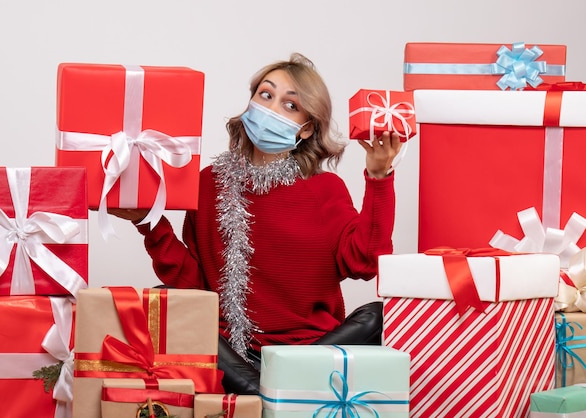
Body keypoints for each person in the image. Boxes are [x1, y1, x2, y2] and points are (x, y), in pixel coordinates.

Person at [109, 52, 402, 394]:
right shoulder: (209, 183)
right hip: (231, 356)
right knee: (165, 301)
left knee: (380, 315)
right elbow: (194, 286)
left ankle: (269, 391)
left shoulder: (325, 189)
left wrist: (379, 176)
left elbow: (365, 263)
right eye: (266, 95)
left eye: (290, 105)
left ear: (306, 128)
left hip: (310, 354)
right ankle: (266, 393)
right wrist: (149, 222)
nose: (272, 108)